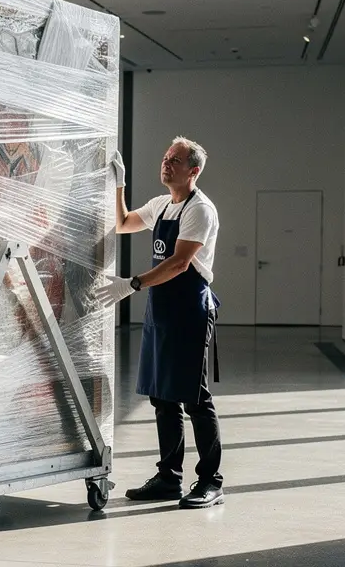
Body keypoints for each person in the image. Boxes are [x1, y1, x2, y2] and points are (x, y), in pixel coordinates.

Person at [96, 136, 224, 510]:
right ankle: (169, 478)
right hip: (162, 309)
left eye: (176, 160)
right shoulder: (161, 206)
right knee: (162, 396)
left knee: (195, 399)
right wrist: (118, 184)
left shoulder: (200, 210)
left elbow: (180, 263)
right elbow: (121, 224)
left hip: (189, 309)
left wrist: (133, 283)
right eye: (166, 157)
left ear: (193, 171)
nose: (166, 164)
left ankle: (211, 481)